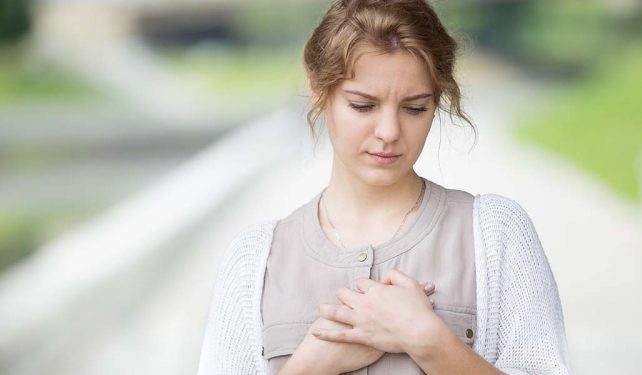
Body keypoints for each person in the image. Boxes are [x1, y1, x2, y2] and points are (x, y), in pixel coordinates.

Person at [197, 0, 570, 374]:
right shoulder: (254, 259)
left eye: (414, 108)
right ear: (317, 89)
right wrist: (308, 368)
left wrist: (430, 341)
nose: (389, 132)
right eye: (363, 106)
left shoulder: (495, 233)